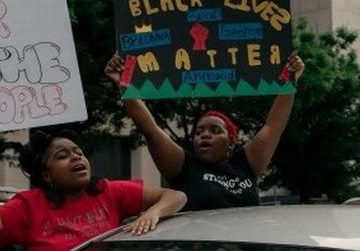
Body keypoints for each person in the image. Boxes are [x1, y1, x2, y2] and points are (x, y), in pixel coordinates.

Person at [104, 53, 305, 211]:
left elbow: (273, 127)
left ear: (230, 144)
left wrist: (291, 80)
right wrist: (123, 83)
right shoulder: (184, 167)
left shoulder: (245, 164)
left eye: (215, 130)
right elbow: (151, 130)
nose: (204, 135)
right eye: (199, 131)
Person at [0, 131, 187, 251]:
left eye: (78, 152)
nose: (76, 157)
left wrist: (153, 213)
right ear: (47, 175)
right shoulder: (28, 206)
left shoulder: (107, 192)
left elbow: (176, 196)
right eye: (62, 155)